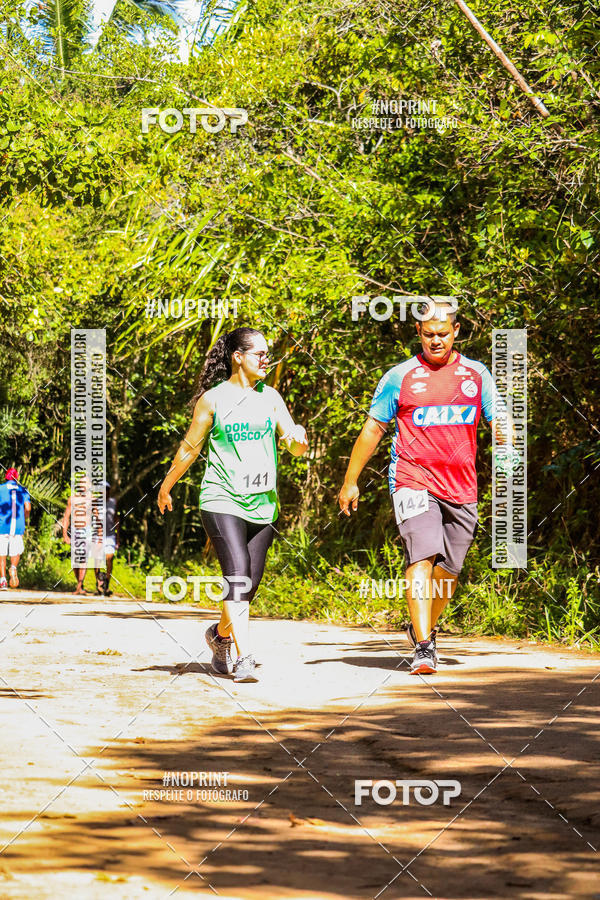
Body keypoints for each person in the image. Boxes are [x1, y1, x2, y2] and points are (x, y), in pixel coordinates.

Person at [339, 301, 512, 675]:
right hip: (412, 480)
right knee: (422, 557)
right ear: (418, 333)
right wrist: (351, 480)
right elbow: (373, 429)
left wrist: (509, 455)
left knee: (449, 572)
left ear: (457, 330)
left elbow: (501, 421)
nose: (436, 340)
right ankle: (423, 646)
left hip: (462, 487)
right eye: (429, 334)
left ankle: (423, 627)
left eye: (443, 333)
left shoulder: (476, 374)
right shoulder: (400, 376)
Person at [158, 327, 308, 683]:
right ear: (237, 357)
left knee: (248, 586)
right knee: (237, 575)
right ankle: (245, 657)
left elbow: (292, 444)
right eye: (260, 353)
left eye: (267, 353)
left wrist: (299, 439)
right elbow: (190, 448)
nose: (266, 359)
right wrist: (167, 486)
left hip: (263, 504)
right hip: (221, 497)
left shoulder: (271, 397)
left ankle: (220, 636)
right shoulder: (212, 400)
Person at [0, 468, 31, 590]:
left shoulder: (0, 489)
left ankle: (3, 581)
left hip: (2, 525)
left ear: (5, 477)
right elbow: (27, 508)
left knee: (1, 554)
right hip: (18, 526)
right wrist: (24, 518)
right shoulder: (23, 490)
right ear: (16, 478)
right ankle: (13, 567)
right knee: (15, 550)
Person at [90, 482, 120, 595]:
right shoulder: (95, 502)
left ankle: (106, 584)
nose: (105, 491)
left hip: (110, 535)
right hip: (97, 535)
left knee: (109, 558)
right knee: (97, 559)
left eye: (107, 489)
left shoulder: (113, 502)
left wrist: (118, 538)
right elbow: (96, 518)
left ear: (109, 490)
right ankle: (98, 582)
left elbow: (116, 519)